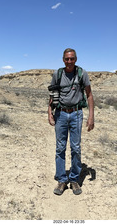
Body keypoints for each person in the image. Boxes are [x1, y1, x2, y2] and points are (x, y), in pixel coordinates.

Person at [48, 48, 94, 195]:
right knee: (60, 148)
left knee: (76, 148)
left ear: (76, 59)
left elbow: (89, 95)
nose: (69, 61)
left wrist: (91, 116)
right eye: (67, 59)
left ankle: (74, 179)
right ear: (63, 59)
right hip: (60, 114)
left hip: (76, 114)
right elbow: (52, 94)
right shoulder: (58, 74)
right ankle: (62, 180)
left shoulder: (82, 73)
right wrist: (49, 113)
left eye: (72, 59)